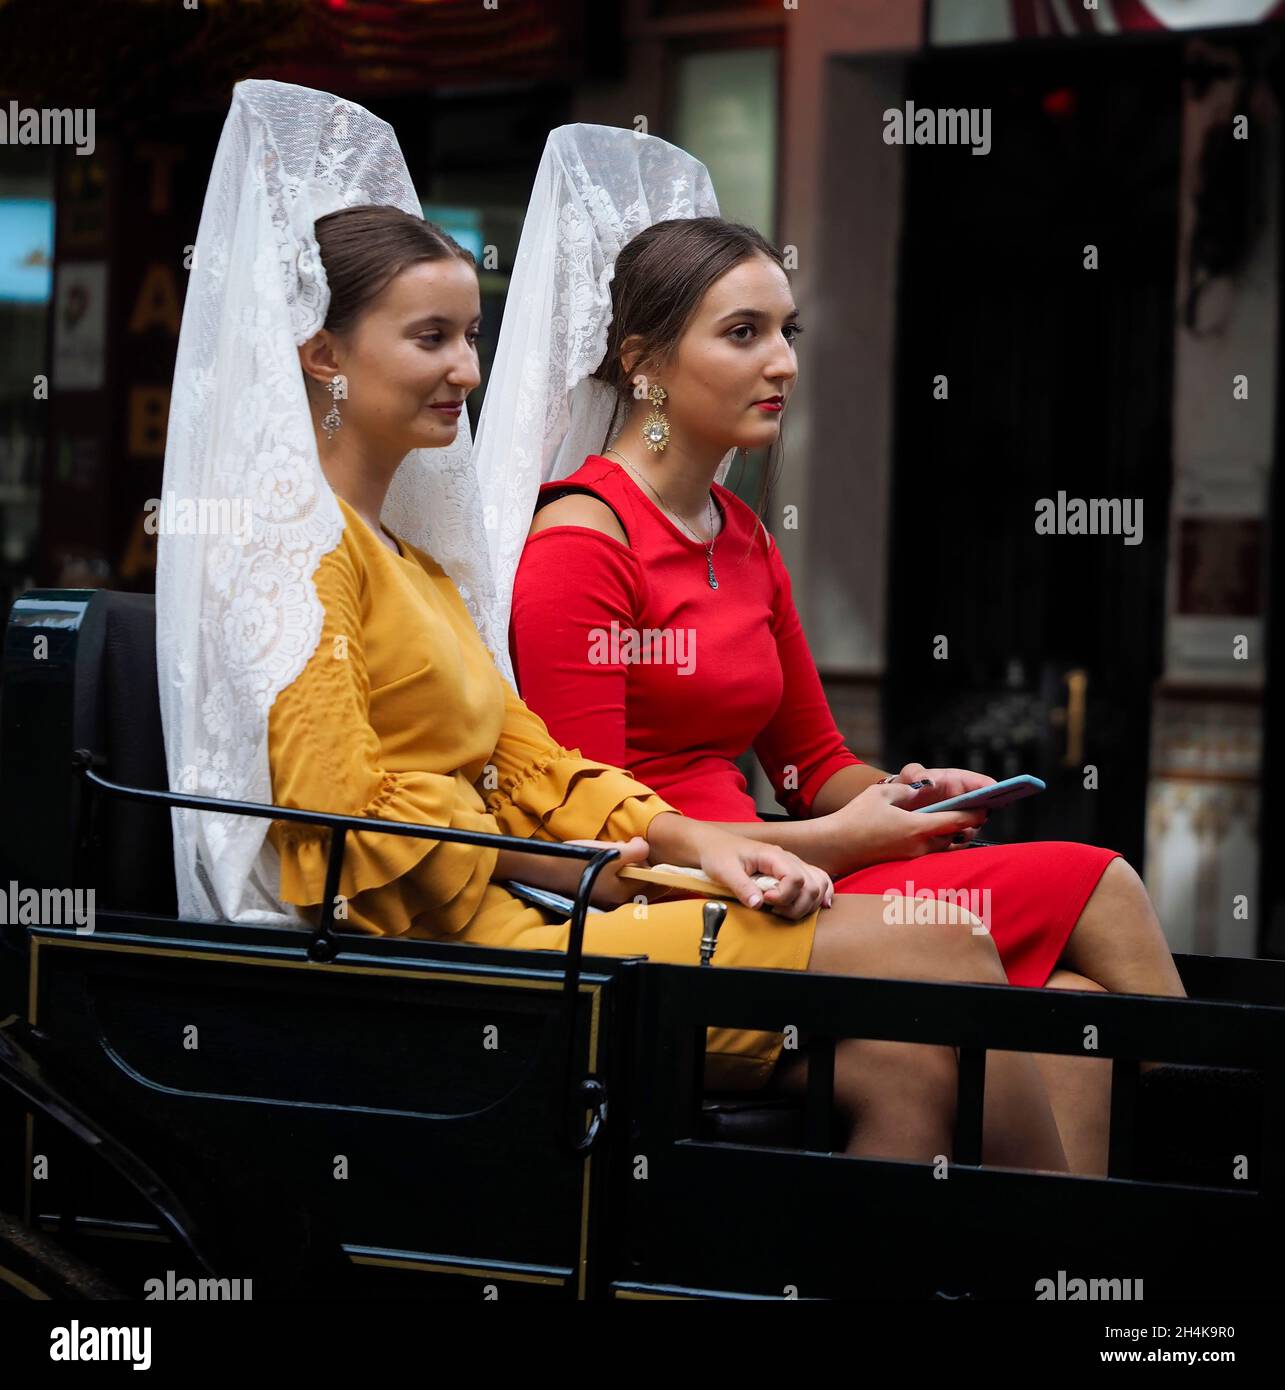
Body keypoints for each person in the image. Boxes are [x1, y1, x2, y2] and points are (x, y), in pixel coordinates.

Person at [157, 88, 1068, 1171]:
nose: (469, 371)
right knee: (950, 943)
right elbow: (340, 825)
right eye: (432, 338)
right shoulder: (298, 556)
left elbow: (545, 770)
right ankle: (1079, 1279)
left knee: (905, 1062)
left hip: (543, 928)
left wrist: (708, 852)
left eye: (472, 335)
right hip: (461, 970)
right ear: (324, 356)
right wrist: (596, 873)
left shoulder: (418, 566)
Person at [471, 134, 1187, 1179]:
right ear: (641, 360)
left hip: (791, 865)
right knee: (1015, 950)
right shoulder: (580, 546)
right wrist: (842, 843)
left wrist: (899, 797)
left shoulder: (744, 537)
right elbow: (600, 829)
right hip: (695, 896)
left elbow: (813, 766)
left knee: (1098, 896)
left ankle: (1127, 1231)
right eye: (744, 333)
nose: (785, 362)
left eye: (787, 331)